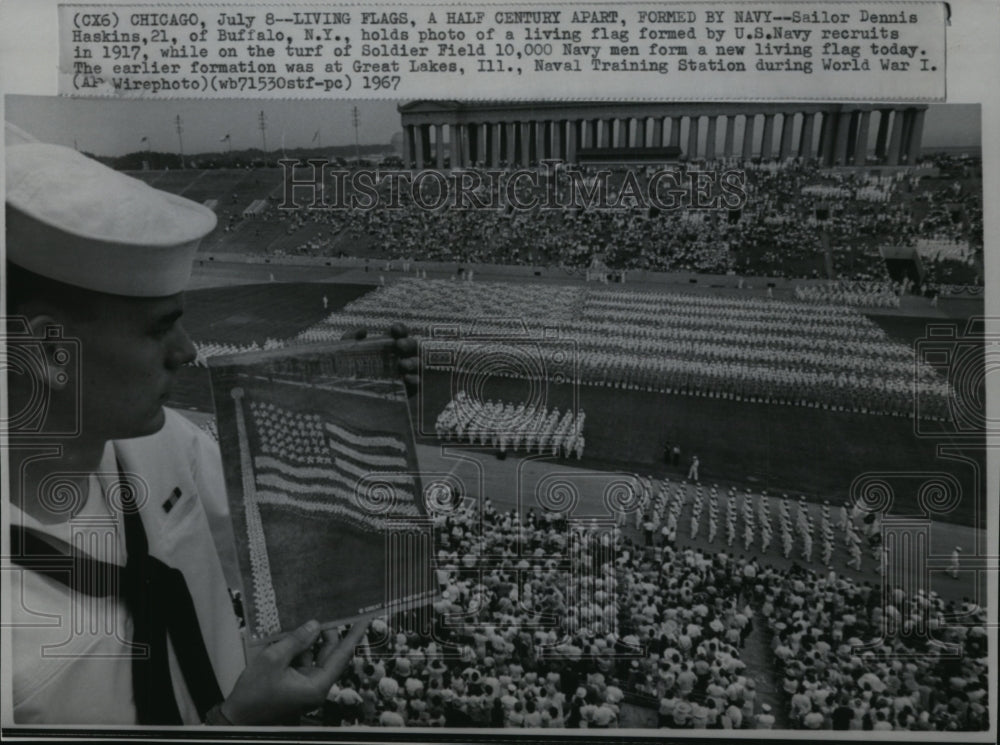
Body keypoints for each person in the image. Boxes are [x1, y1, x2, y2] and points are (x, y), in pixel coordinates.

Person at [4, 138, 419, 725]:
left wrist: (347, 402)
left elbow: (286, 531)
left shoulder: (156, 442)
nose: (187, 350)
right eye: (158, 328)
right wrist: (233, 728)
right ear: (52, 350)